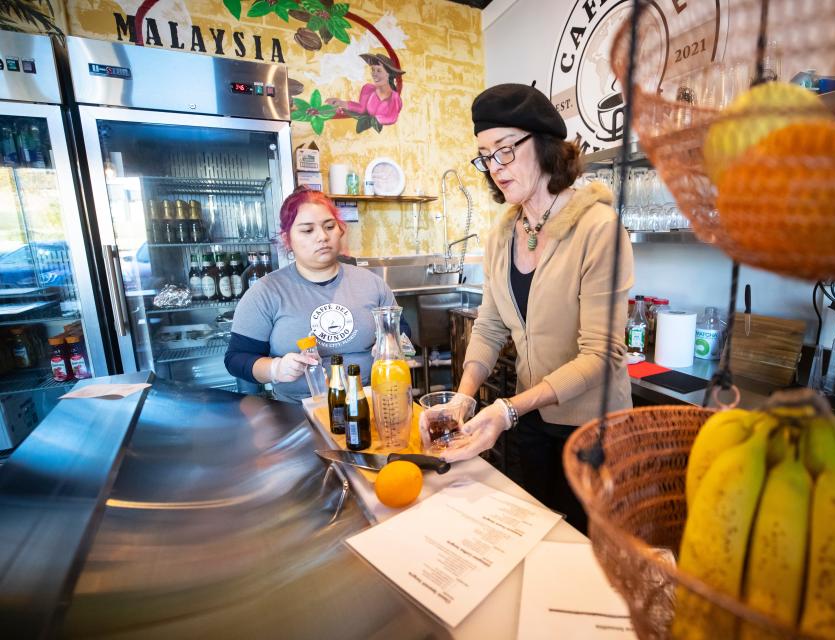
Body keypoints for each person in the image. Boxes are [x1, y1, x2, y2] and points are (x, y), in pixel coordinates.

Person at [442, 83, 634, 534]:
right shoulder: (502, 234)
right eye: (485, 156)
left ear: (546, 146)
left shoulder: (598, 228)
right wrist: (463, 398)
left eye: (505, 151)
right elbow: (489, 328)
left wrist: (508, 409)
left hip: (594, 433)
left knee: (590, 555)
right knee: (541, 538)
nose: (494, 168)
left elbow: (602, 355)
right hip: (530, 422)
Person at [225, 188, 397, 403]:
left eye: (329, 226)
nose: (323, 237)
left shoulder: (371, 283)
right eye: (307, 230)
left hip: (368, 401)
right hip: (297, 411)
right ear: (288, 239)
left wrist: (390, 343)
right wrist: (275, 368)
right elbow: (236, 358)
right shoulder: (266, 292)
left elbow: (400, 331)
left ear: (340, 230)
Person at [326, 53, 404, 127]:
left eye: (379, 70)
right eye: (373, 70)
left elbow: (392, 118)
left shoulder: (394, 97)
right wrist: (341, 103)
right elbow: (361, 109)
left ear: (388, 74)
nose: (374, 74)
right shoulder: (368, 89)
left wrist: (373, 119)